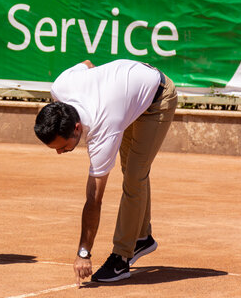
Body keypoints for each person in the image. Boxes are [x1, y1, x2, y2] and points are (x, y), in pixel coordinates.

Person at [33, 59, 177, 284]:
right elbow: (88, 64)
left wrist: (83, 252)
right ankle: (142, 237)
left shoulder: (104, 129)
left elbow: (94, 200)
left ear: (77, 128)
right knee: (129, 167)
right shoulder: (60, 87)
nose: (59, 152)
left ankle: (121, 257)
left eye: (62, 146)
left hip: (157, 97)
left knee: (134, 176)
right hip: (128, 92)